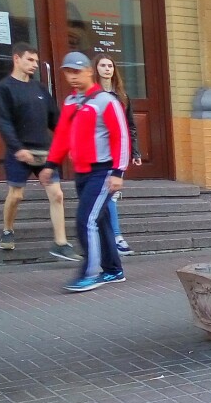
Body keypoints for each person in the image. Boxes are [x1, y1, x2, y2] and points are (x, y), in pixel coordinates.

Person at [40, 52, 130, 292]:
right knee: (98, 221)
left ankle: (89, 274)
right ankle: (114, 270)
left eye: (76, 71)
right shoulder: (71, 102)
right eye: (68, 72)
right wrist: (50, 164)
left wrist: (117, 172)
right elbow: (62, 137)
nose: (72, 77)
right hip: (82, 172)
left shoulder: (106, 101)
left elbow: (121, 137)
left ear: (90, 71)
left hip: (102, 171)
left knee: (86, 220)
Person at [0, 42, 78, 260]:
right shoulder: (4, 88)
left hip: (44, 153)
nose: (34, 65)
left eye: (36, 61)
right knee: (16, 195)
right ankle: (7, 230)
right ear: (16, 59)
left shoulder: (40, 89)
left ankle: (61, 243)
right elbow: (4, 122)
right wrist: (18, 148)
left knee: (57, 195)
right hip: (18, 153)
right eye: (30, 60)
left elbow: (56, 120)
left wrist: (68, 143)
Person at [92, 53, 141, 255]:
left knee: (111, 196)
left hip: (118, 152)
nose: (107, 69)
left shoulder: (122, 96)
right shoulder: (91, 95)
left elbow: (130, 126)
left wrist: (135, 151)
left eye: (110, 65)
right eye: (103, 65)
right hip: (99, 153)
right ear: (96, 69)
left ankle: (114, 237)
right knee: (108, 196)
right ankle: (115, 237)